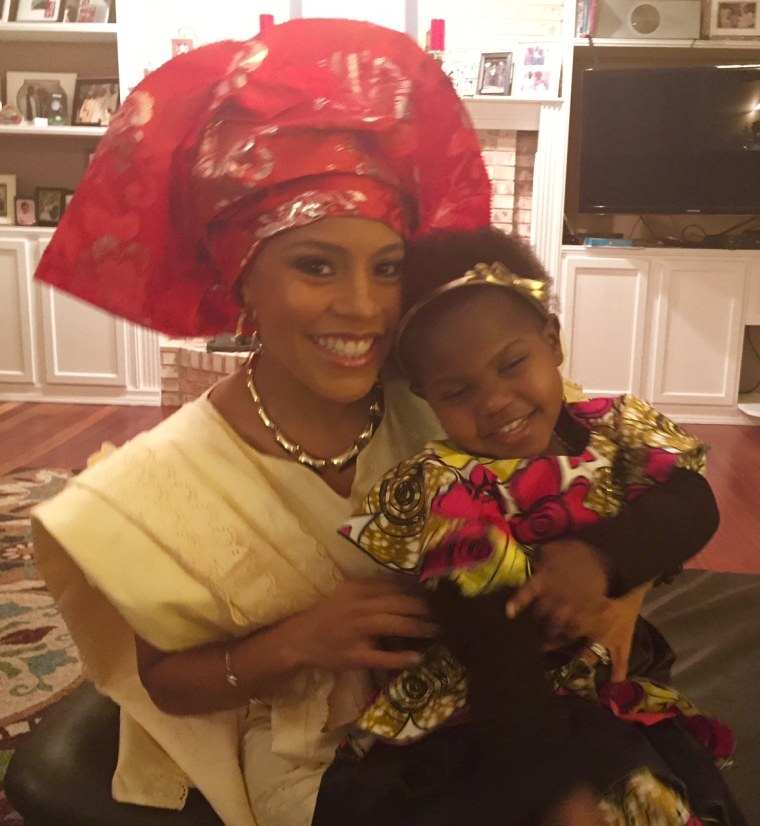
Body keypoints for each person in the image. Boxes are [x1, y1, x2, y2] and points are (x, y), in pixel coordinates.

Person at [29, 18, 496, 826]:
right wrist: (298, 643)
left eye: (387, 269)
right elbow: (163, 682)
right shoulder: (153, 485)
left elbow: (602, 483)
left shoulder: (445, 403)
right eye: (315, 265)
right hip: (322, 773)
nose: (361, 307)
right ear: (241, 280)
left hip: (497, 724)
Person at [333, 227, 746, 825]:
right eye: (458, 390)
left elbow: (691, 502)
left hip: (605, 690)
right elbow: (490, 647)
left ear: (551, 340)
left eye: (512, 364)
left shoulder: (615, 430)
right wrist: (554, 795)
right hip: (494, 719)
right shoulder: (446, 492)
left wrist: (598, 559)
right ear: (425, 395)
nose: (496, 400)